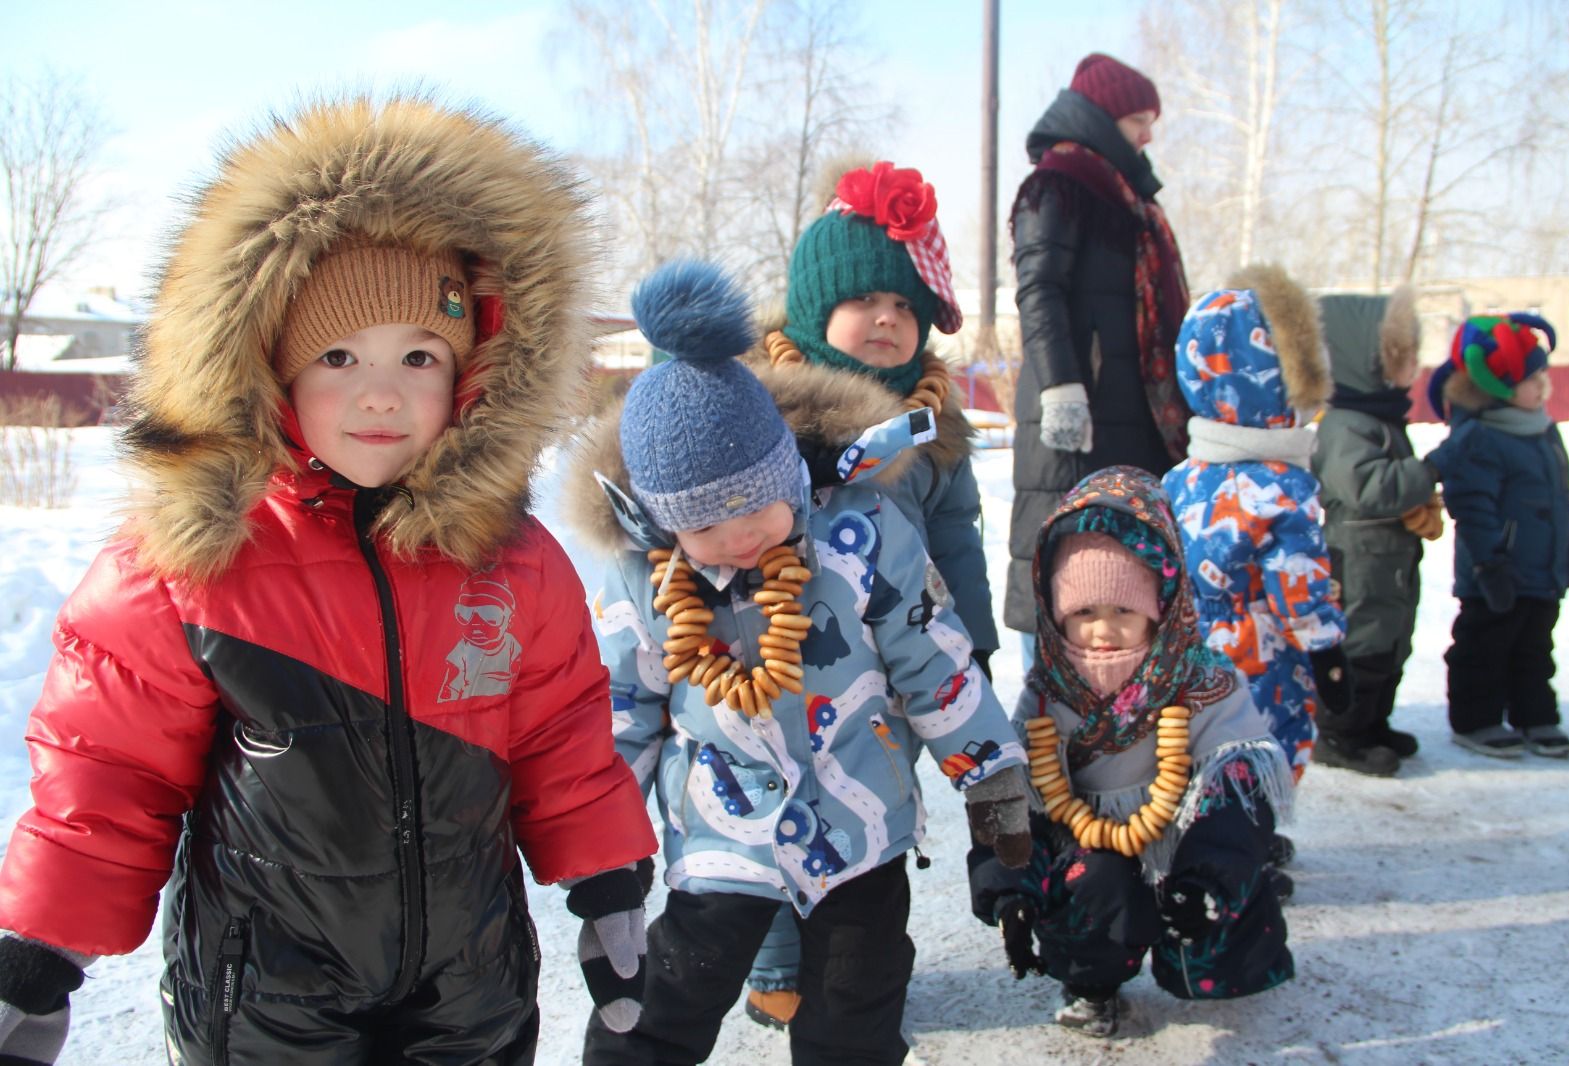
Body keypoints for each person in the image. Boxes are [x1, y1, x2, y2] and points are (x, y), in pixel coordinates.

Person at [0, 96, 659, 1065]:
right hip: (266, 994)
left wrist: (608, 887)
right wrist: (40, 950)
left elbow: (561, 735)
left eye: (419, 356)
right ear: (270, 368)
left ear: (475, 374)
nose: (381, 391)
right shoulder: (199, 566)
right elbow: (110, 768)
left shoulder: (514, 565)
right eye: (338, 355)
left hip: (469, 989)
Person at [567, 260, 1031, 1066]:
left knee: (860, 1004)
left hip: (863, 828)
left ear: (786, 470)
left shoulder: (861, 538)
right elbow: (622, 710)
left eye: (755, 505)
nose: (740, 536)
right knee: (671, 995)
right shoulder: (644, 580)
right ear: (663, 522)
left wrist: (991, 778)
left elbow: (934, 661)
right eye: (706, 526)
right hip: (721, 834)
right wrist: (605, 848)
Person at [741, 159, 997, 1029]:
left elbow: (958, 539)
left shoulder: (933, 425)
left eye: (905, 307)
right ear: (817, 312)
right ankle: (777, 949)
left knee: (870, 807)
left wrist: (978, 638)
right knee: (775, 808)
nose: (887, 320)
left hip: (896, 667)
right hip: (776, 656)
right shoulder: (764, 405)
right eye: (864, 304)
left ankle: (858, 957)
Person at [968, 466, 1294, 1039]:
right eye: (1085, 613)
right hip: (1093, 850)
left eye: (1123, 611)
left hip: (1182, 844)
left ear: (1160, 607)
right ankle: (1091, 981)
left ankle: (1206, 928)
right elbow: (1009, 788)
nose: (1102, 631)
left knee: (1223, 874)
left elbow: (1239, 786)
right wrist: (1006, 890)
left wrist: (1210, 874)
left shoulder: (1201, 683)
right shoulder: (1049, 691)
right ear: (1056, 609)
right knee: (1090, 882)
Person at [1161, 264, 1349, 891]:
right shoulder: (1282, 488)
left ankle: (1201, 842)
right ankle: (1238, 864)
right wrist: (1329, 651)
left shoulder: (1180, 477)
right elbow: (1300, 586)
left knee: (1200, 758)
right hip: (1261, 665)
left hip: (1187, 662)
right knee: (1262, 755)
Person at [1006, 52, 1191, 654]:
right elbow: (1039, 286)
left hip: (1127, 415)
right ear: (1104, 117)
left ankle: (1124, 730)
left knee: (1123, 573)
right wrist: (1060, 386)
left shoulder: (1123, 195)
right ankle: (1048, 726)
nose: (1148, 133)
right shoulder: (1059, 185)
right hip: (1077, 421)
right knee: (1069, 565)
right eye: (1140, 117)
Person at [1424, 314, 1569, 758]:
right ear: (1500, 385)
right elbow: (1473, 505)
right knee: (1485, 646)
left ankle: (1535, 716)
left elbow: (1561, 495)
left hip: (1542, 568)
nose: (1543, 386)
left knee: (1535, 647)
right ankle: (1476, 720)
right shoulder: (1480, 437)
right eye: (1532, 378)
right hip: (1496, 569)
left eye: (1543, 376)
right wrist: (1488, 563)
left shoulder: (1544, 431)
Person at [1310, 287, 1441, 775]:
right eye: (1402, 358)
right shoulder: (1345, 424)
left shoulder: (1380, 418)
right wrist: (1427, 472)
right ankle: (1342, 732)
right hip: (1360, 557)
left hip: (1389, 558)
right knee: (1362, 643)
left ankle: (1374, 724)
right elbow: (1367, 486)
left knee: (1391, 641)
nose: (1413, 368)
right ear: (1366, 360)